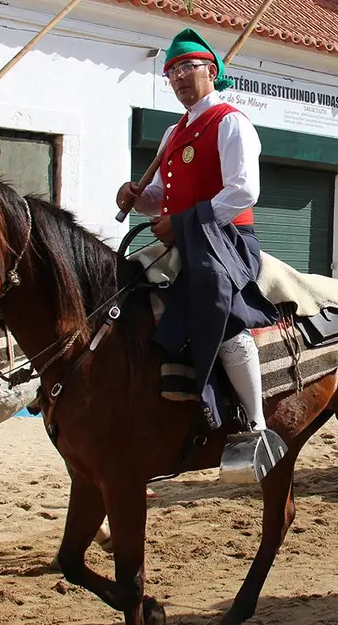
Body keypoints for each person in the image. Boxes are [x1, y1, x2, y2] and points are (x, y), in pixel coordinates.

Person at [116, 28, 286, 475]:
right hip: (182, 238)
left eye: (187, 69)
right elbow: (158, 196)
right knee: (122, 285)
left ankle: (254, 425)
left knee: (218, 305)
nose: (179, 79)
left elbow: (244, 192)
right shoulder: (174, 132)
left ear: (211, 71)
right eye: (171, 72)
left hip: (227, 240)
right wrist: (137, 196)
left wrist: (185, 221)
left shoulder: (230, 122)